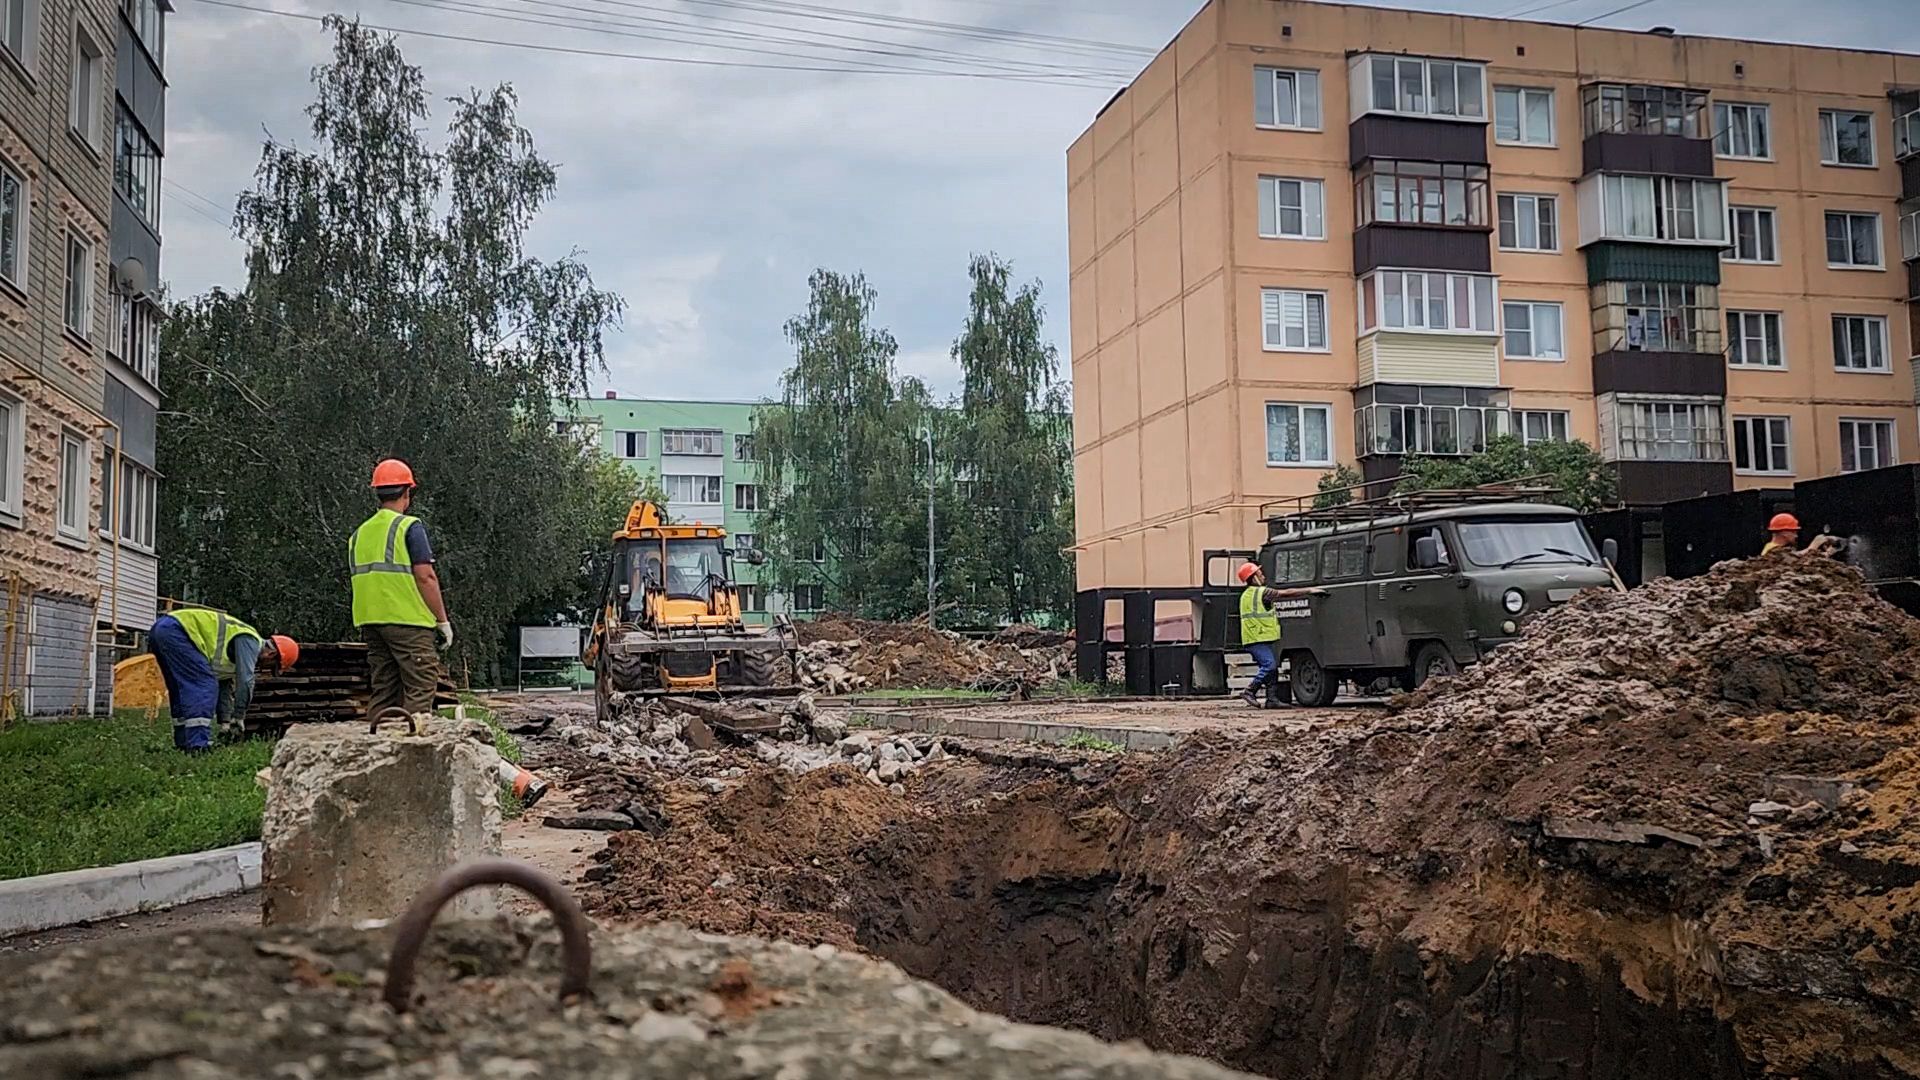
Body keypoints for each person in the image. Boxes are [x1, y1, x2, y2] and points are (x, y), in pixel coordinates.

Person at [351, 458, 453, 720]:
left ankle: (378, 748)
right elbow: (425, 577)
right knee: (420, 684)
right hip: (406, 621)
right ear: (408, 493)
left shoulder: (360, 533)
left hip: (371, 621)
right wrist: (442, 621)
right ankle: (412, 748)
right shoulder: (409, 527)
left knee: (384, 689)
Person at [148, 608, 298, 751]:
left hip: (162, 629)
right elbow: (245, 681)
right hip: (177, 630)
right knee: (204, 685)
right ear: (271, 655)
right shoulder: (249, 640)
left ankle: (183, 742)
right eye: (271, 666)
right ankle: (199, 745)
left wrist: (225, 722)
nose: (265, 669)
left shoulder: (235, 652)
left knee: (180, 688)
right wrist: (239, 717)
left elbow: (224, 685)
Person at [1237, 562, 1326, 708]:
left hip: (1257, 637)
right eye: (1260, 574)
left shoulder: (1246, 595)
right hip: (1258, 638)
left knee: (1271, 670)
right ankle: (1250, 690)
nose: (1263, 576)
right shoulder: (1262, 593)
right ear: (1253, 578)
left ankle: (1272, 699)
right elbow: (1285, 593)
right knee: (1269, 666)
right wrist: (1309, 590)